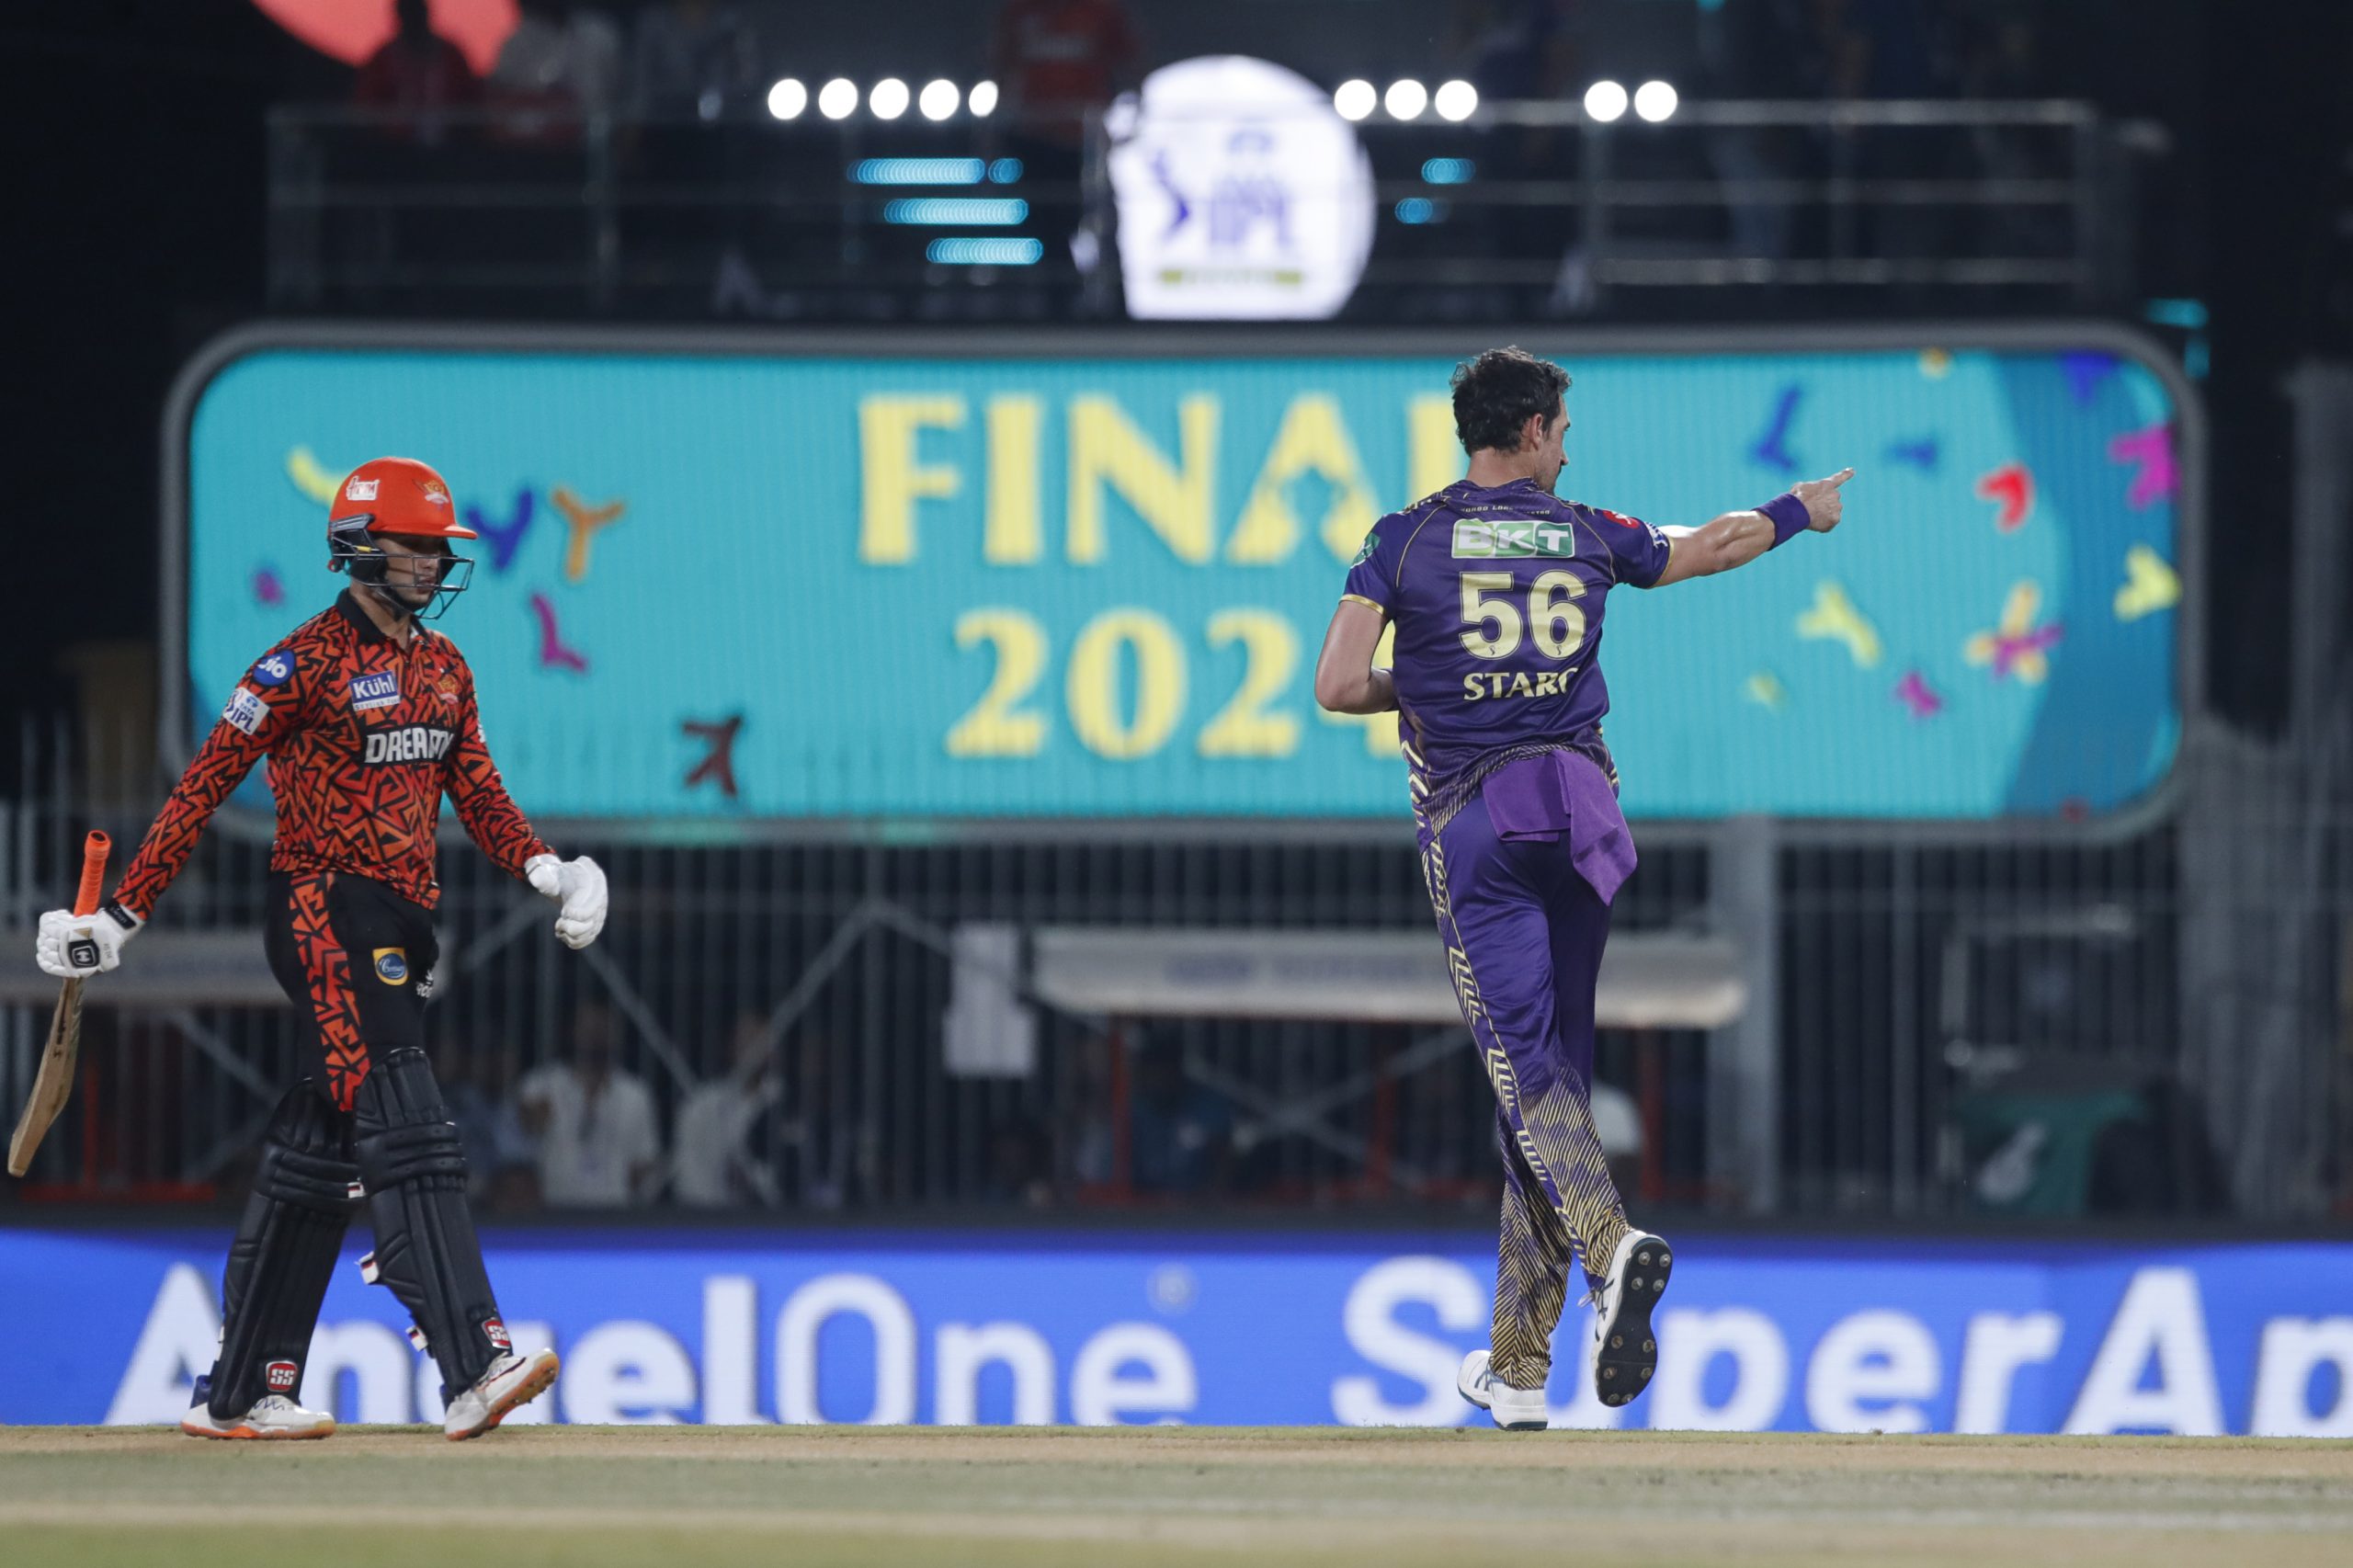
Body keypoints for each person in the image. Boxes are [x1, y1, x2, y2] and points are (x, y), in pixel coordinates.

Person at [1313, 347, 1851, 1428]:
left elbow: (1335, 683)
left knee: (1525, 1077)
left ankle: (1613, 1250)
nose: (1567, 447)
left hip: (1479, 824)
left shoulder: (1401, 538)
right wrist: (1799, 510)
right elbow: (1709, 545)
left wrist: (1425, 684)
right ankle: (1519, 1365)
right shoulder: (1585, 530)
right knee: (1549, 1080)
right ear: (1531, 431)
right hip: (1583, 816)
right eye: (1561, 430)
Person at [37, 456, 608, 1441]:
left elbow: (477, 792)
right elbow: (203, 786)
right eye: (415, 545)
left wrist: (549, 868)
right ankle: (473, 1362)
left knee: (319, 1143)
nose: (434, 563)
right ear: (359, 545)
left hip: (403, 922)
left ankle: (239, 1390)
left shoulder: (445, 667)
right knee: (405, 1112)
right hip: (322, 909)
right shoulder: (297, 664)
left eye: (439, 547)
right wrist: (120, 918)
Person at [514, 1001, 662, 1208]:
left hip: (616, 1210)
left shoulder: (635, 1094)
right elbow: (520, 1148)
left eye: (603, 1026)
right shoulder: (540, 1084)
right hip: (553, 1209)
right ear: (570, 1030)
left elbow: (644, 1160)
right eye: (588, 1026)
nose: (595, 1034)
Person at [671, 1011, 781, 1208]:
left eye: (760, 1040)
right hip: (711, 1217)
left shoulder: (786, 1102)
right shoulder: (701, 1105)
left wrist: (755, 1183)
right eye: (746, 1040)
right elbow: (689, 1173)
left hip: (777, 1219)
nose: (753, 1048)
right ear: (730, 1046)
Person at [353, 0, 481, 145]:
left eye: (416, 14)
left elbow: (473, 104)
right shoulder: (383, 59)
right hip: (395, 147)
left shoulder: (451, 56)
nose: (414, 21)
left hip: (450, 146)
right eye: (409, 15)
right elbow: (365, 108)